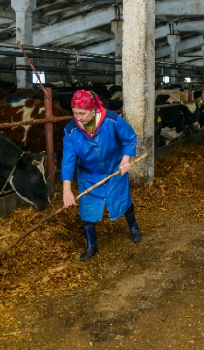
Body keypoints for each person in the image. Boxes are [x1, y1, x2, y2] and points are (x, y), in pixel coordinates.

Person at [62, 90, 142, 261]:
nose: (78, 117)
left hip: (114, 169)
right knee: (87, 208)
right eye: (75, 113)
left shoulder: (111, 119)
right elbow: (68, 160)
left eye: (82, 113)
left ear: (93, 110)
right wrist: (66, 189)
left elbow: (129, 137)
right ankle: (92, 246)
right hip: (89, 174)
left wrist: (125, 160)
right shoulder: (70, 131)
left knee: (122, 198)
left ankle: (133, 226)